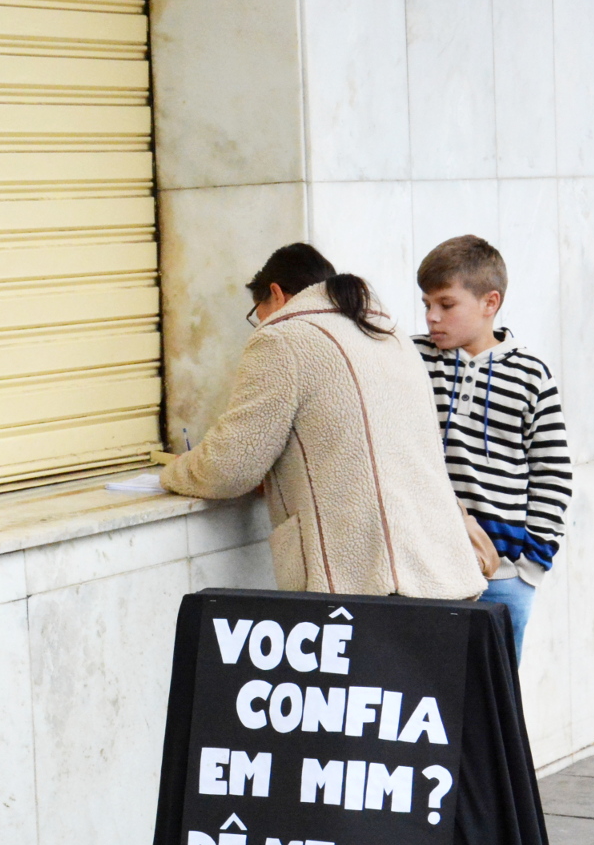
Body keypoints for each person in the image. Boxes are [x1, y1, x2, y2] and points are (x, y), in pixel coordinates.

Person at [161, 242, 485, 600]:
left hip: (364, 586)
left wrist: (173, 472)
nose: (260, 323)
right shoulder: (388, 335)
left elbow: (229, 468)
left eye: (258, 312)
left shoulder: (283, 338)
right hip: (438, 572)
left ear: (276, 294)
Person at [415, 235, 571, 658]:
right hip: (425, 567)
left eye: (446, 305)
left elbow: (552, 473)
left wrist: (529, 567)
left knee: (492, 705)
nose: (432, 317)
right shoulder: (412, 359)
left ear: (490, 302)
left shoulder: (531, 375)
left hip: (503, 577)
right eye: (426, 303)